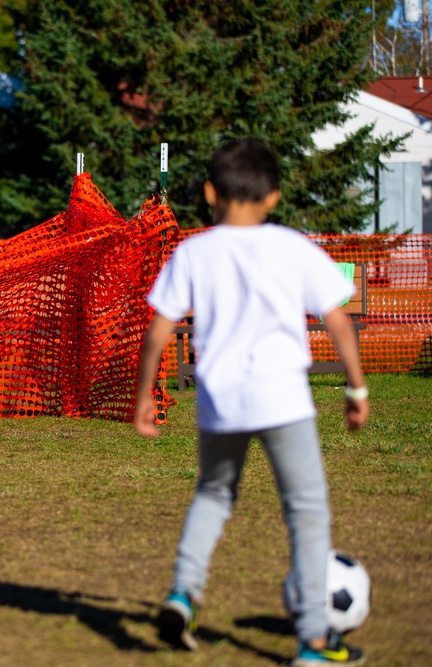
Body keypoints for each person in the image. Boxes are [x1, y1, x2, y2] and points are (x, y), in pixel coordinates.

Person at [133, 139, 369, 665]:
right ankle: (313, 642)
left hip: (220, 401)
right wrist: (356, 388)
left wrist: (146, 393)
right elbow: (337, 320)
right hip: (284, 399)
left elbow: (159, 330)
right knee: (307, 513)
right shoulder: (292, 247)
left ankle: (182, 594)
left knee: (213, 496)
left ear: (210, 192)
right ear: (274, 198)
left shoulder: (192, 251)